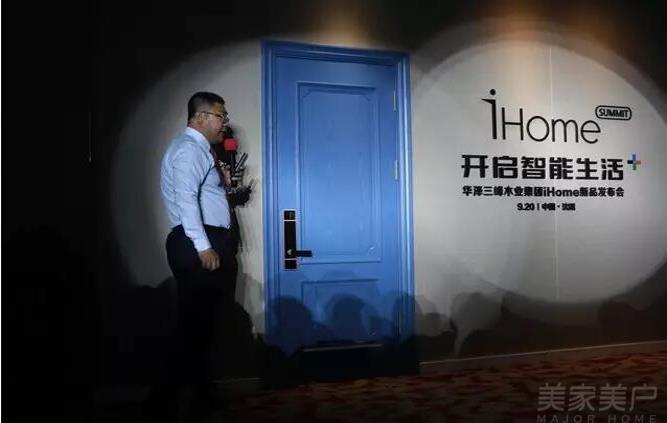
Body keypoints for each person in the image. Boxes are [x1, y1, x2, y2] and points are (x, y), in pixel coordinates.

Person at [147, 91, 237, 422]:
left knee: (200, 326)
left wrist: (224, 187)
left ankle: (201, 395)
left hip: (204, 239)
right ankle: (162, 401)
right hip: (197, 242)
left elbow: (201, 196)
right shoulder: (189, 149)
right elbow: (186, 201)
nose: (225, 124)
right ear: (200, 118)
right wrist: (203, 246)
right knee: (193, 326)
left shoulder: (200, 151)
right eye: (221, 116)